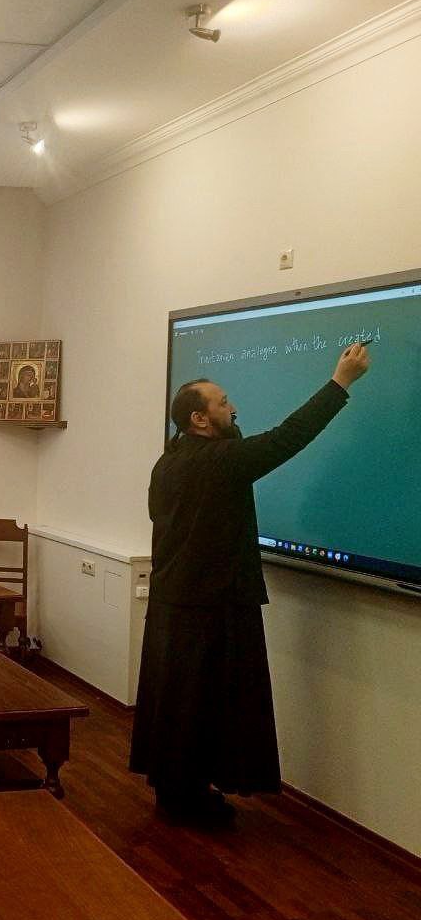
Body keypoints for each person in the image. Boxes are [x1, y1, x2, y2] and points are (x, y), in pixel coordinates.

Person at [130, 342, 371, 824]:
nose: (233, 408)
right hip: (208, 608)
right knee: (203, 707)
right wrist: (340, 382)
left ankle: (176, 792)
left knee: (179, 705)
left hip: (176, 602)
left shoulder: (171, 460)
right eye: (223, 403)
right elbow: (288, 437)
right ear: (200, 419)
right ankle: (187, 801)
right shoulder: (219, 462)